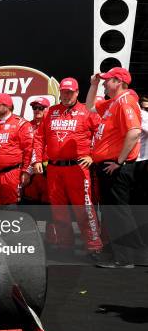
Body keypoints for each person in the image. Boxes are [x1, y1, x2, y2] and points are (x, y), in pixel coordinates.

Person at [32, 78, 103, 255]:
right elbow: (39, 138)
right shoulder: (51, 112)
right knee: (58, 210)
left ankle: (94, 245)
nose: (66, 95)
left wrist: (92, 155)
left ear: (77, 93)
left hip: (77, 168)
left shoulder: (87, 111)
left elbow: (101, 133)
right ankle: (65, 245)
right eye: (63, 92)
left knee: (84, 209)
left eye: (70, 92)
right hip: (55, 169)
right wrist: (37, 160)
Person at [86, 67, 143, 268]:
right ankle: (121, 255)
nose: (104, 83)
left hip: (116, 167)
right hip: (109, 165)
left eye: (107, 80)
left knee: (118, 212)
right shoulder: (114, 102)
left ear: (119, 81)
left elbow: (135, 131)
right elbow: (90, 107)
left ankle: (127, 258)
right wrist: (93, 84)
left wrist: (119, 161)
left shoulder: (126, 101)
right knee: (113, 212)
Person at [23, 97, 50, 204]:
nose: (37, 110)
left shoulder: (52, 125)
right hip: (31, 168)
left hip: (47, 168)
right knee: (30, 196)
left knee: (48, 197)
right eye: (34, 108)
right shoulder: (27, 126)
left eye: (40, 108)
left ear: (47, 109)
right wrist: (27, 170)